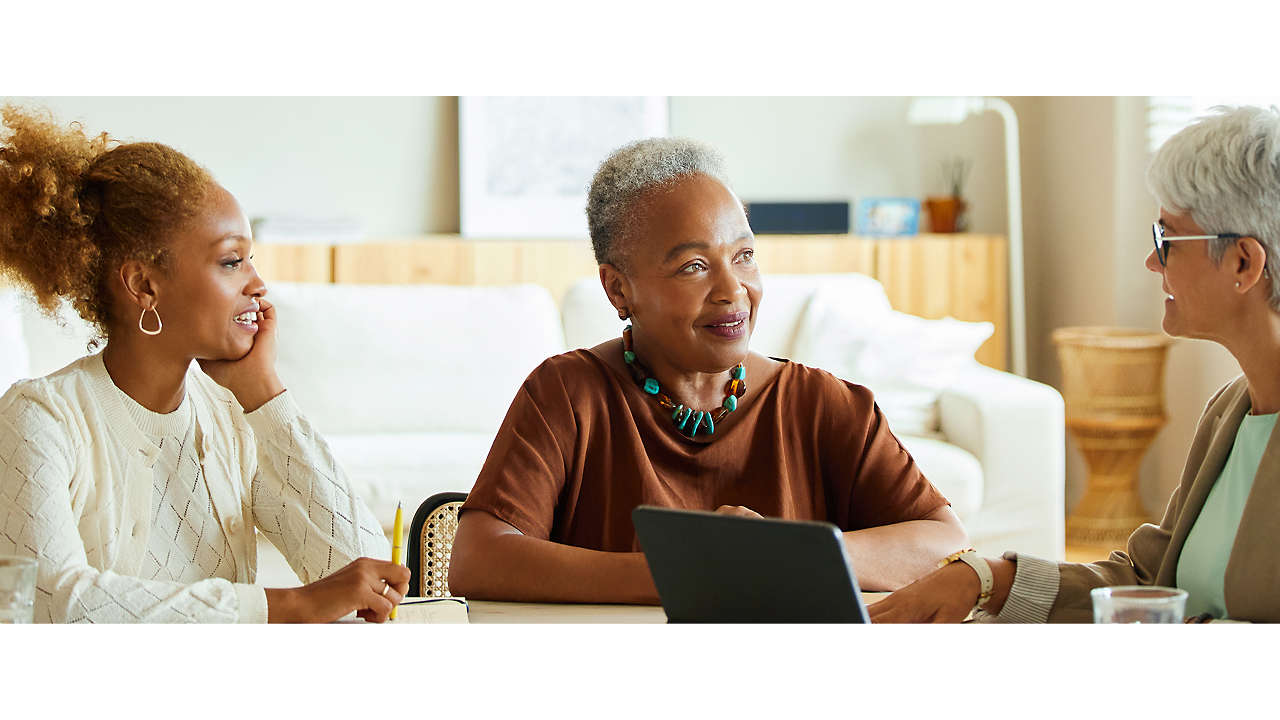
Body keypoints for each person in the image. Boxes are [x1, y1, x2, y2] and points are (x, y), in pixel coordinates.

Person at [448, 137, 968, 603]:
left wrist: (785, 556)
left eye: (744, 256)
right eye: (693, 266)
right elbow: (478, 558)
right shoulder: (567, 393)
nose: (732, 290)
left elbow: (945, 543)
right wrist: (689, 569)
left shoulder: (825, 404)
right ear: (617, 289)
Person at [871, 105, 1280, 624]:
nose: (1152, 262)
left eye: (1168, 239)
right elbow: (1145, 583)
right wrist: (986, 578)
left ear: (1244, 262)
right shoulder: (1230, 410)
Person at [0, 105, 408, 623]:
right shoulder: (40, 418)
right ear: (144, 285)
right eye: (232, 261)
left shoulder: (236, 417)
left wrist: (265, 396)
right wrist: (289, 605)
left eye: (251, 259)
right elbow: (52, 601)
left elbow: (368, 580)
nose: (257, 283)